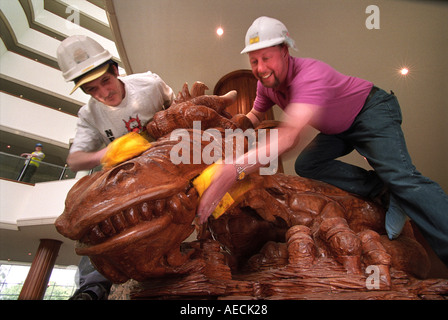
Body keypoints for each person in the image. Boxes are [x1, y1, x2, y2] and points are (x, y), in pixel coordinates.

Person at [196, 16, 448, 266]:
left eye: (266, 58)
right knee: (308, 164)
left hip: (370, 110)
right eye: (254, 61)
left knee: (402, 178)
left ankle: (404, 198)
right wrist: (224, 130)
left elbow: (289, 136)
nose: (260, 68)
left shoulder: (310, 74)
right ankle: (383, 191)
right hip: (339, 129)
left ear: (285, 51)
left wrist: (234, 170)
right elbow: (254, 115)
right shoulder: (266, 85)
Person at [56, 35, 175, 299]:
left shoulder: (150, 84)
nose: (103, 93)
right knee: (94, 219)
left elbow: (178, 111)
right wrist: (108, 152)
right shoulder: (89, 115)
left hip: (166, 165)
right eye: (91, 90)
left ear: (115, 70)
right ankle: (92, 288)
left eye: (105, 81)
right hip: (123, 176)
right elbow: (75, 160)